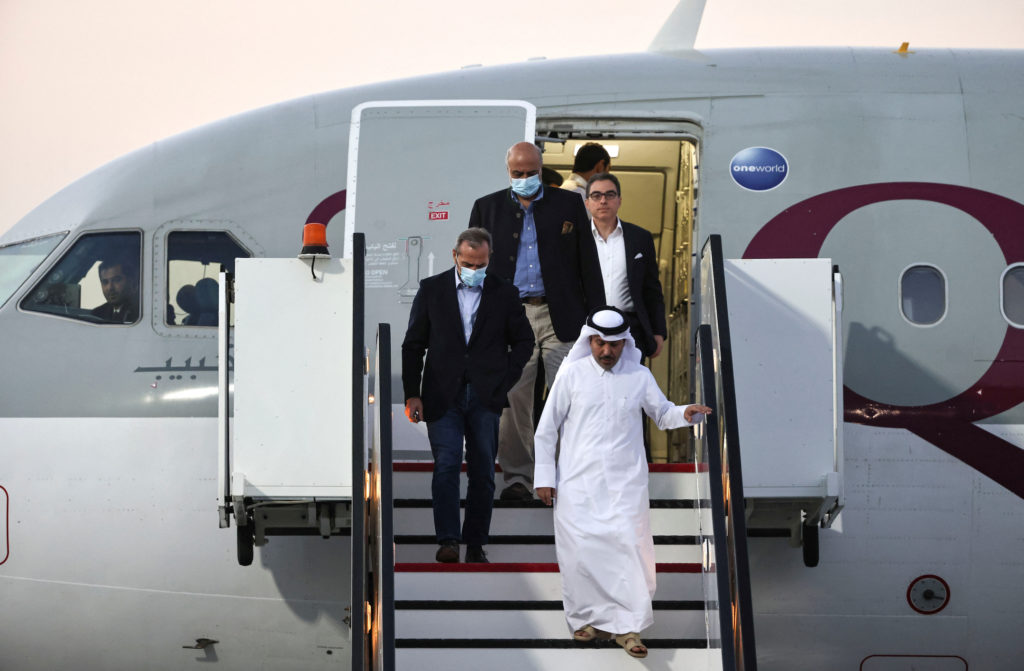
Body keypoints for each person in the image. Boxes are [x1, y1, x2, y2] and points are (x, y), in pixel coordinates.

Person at [534, 307, 712, 659]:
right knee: (581, 552)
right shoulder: (571, 374)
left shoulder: (639, 375)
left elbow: (662, 413)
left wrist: (684, 412)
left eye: (614, 345)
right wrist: (544, 477)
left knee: (630, 550)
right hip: (577, 482)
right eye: (600, 343)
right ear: (590, 341)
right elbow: (547, 429)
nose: (606, 351)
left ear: (623, 343)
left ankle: (629, 629)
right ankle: (587, 620)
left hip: (625, 483)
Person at [402, 227, 534, 563]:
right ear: (455, 256)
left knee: (483, 472)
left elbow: (524, 341)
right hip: (441, 393)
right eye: (469, 263)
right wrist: (412, 394)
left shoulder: (504, 292)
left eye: (481, 264)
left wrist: (505, 379)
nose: (475, 269)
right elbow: (413, 344)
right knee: (447, 465)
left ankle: (475, 543)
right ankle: (448, 541)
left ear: (489, 259)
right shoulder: (431, 289)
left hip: (486, 395)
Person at [468, 141, 590, 502]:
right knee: (514, 400)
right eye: (517, 173)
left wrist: (597, 315)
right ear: (508, 172)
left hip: (559, 315)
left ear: (541, 168)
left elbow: (587, 262)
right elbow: (473, 265)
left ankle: (562, 475)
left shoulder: (569, 204)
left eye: (531, 172)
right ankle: (518, 478)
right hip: (511, 317)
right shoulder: (486, 207)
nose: (524, 178)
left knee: (567, 396)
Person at [579, 173, 668, 359]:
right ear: (587, 203)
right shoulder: (576, 238)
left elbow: (651, 289)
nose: (603, 201)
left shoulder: (640, 238)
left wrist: (658, 331)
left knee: (632, 378)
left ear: (619, 200)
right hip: (588, 329)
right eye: (596, 195)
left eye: (610, 195)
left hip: (630, 329)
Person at [90, 258, 139, 323]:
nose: (110, 287)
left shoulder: (141, 312)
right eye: (105, 282)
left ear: (132, 282)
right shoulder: (97, 314)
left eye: (117, 280)